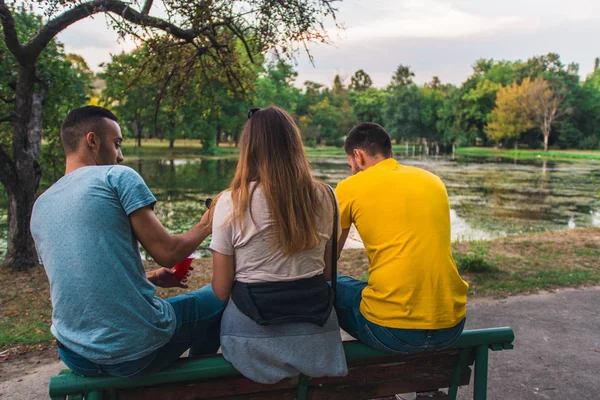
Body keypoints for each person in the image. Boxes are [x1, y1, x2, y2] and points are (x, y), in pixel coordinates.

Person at [30, 106, 227, 377]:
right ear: (92, 140)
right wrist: (207, 222)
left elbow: (77, 278)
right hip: (136, 350)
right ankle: (201, 385)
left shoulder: (41, 205)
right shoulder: (116, 177)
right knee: (220, 297)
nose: (120, 155)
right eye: (117, 144)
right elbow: (168, 252)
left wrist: (148, 278)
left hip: (75, 354)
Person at [209, 106, 348, 384]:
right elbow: (328, 273)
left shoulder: (231, 201)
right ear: (294, 144)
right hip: (318, 338)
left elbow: (221, 289)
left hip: (251, 341)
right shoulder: (326, 196)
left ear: (248, 148)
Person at [334, 122, 469, 354]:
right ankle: (406, 388)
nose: (353, 171)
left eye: (351, 166)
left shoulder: (349, 187)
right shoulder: (434, 181)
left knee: (327, 287)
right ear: (390, 152)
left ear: (358, 155)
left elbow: (328, 258)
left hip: (391, 331)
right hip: (451, 325)